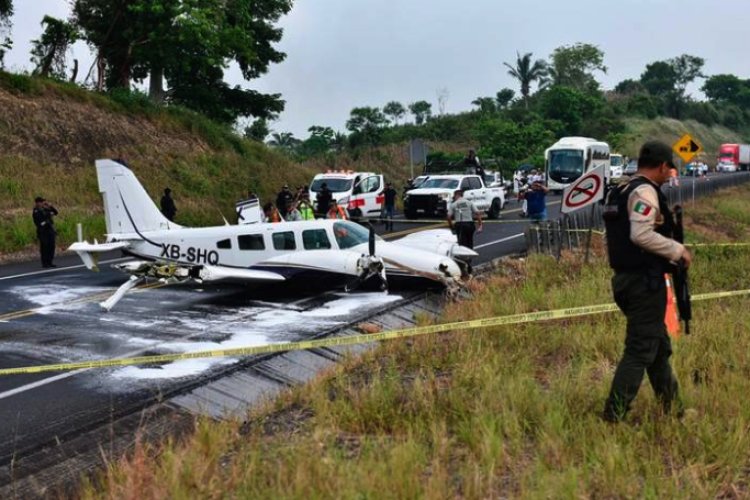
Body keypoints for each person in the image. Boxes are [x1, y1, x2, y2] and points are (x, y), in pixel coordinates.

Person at [601, 140, 693, 423]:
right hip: (643, 283)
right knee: (641, 349)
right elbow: (640, 235)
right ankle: (613, 416)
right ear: (663, 166)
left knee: (657, 347)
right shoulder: (644, 192)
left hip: (629, 279)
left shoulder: (622, 189)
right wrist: (677, 250)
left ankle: (674, 409)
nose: (670, 175)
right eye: (669, 169)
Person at [32, 197, 59, 268]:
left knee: (51, 246)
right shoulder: (36, 211)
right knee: (44, 247)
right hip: (43, 231)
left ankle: (50, 262)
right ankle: (45, 263)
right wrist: (49, 215)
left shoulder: (45, 209)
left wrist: (50, 206)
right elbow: (39, 221)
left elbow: (56, 212)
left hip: (50, 230)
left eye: (42, 202)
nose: (42, 203)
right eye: (40, 202)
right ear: (37, 203)